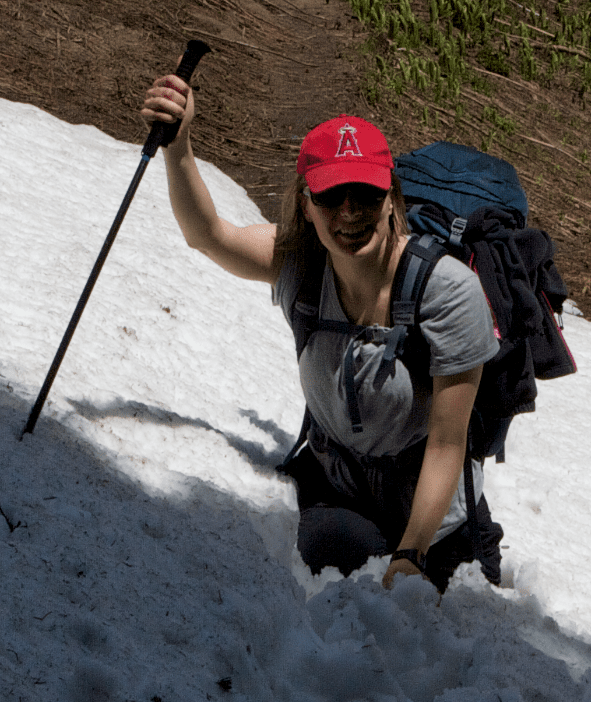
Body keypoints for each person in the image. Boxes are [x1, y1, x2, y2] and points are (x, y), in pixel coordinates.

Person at [140, 76, 503, 590]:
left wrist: (410, 555)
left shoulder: (447, 291)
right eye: (331, 195)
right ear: (306, 205)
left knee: (431, 628)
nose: (349, 212)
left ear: (391, 198)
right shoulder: (301, 266)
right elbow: (209, 235)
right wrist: (178, 146)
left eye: (366, 194)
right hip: (342, 492)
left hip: (438, 525)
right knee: (326, 578)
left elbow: (447, 443)